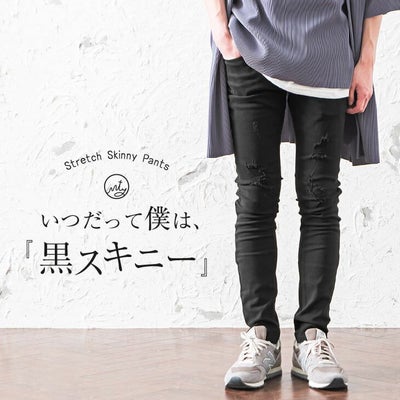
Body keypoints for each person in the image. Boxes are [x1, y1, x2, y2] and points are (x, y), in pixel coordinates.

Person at [203, 0, 400, 392]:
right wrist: (222, 31)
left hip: (327, 49)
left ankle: (312, 337)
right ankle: (261, 336)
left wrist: (366, 61)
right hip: (250, 45)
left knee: (320, 199)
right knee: (255, 197)